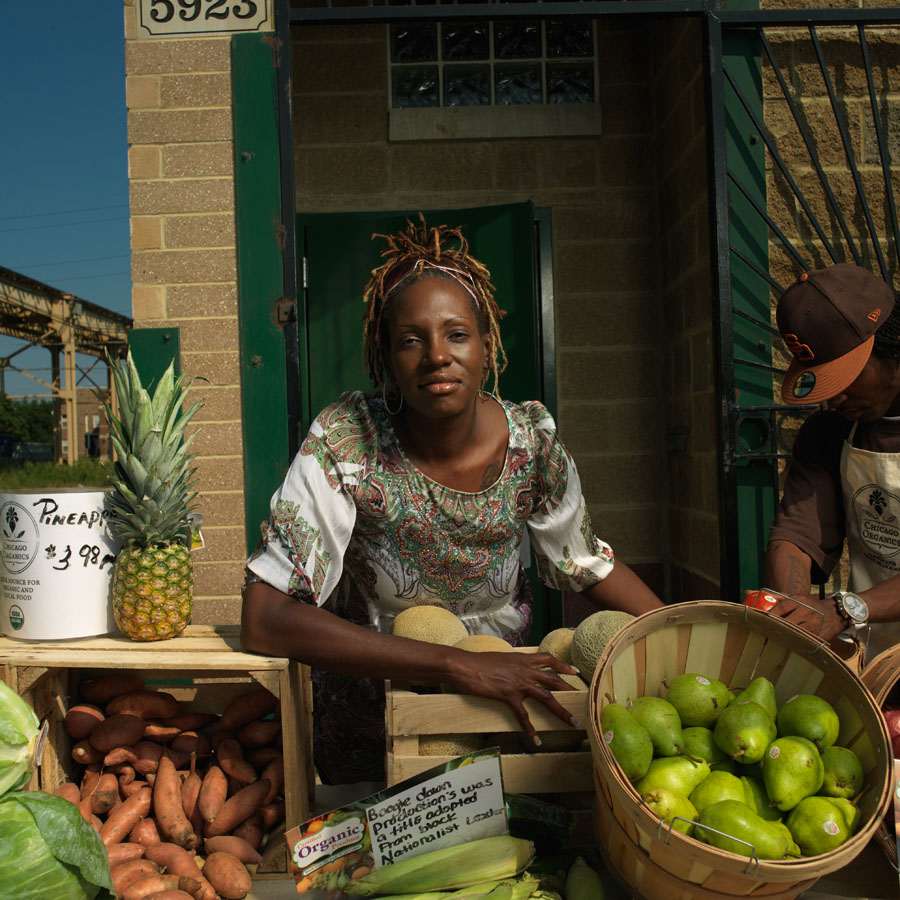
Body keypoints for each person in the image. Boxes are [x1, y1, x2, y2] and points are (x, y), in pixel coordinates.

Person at [241, 217, 664, 784]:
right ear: (386, 357)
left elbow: (583, 562)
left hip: (501, 704)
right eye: (411, 340)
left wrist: (687, 630)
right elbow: (265, 619)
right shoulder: (346, 442)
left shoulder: (532, 443)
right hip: (375, 715)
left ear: (487, 347)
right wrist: (453, 662)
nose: (436, 355)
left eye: (457, 334)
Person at [763, 262, 900, 659]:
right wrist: (796, 611)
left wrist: (847, 608)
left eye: (844, 378)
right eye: (821, 380)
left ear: (892, 356)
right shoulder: (830, 433)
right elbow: (796, 535)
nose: (830, 398)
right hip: (881, 664)